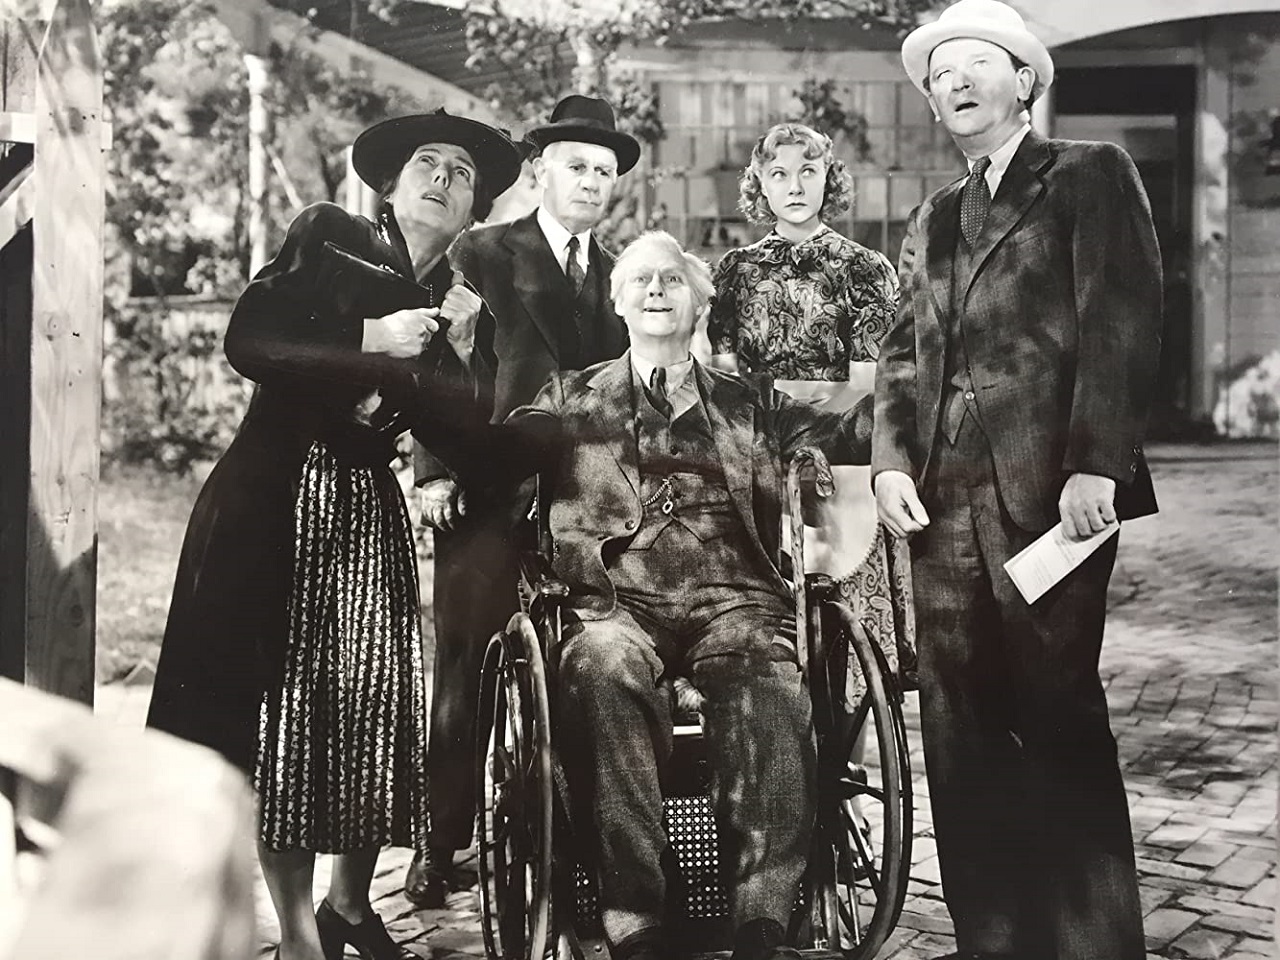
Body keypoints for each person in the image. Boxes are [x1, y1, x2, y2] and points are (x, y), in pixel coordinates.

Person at [146, 111, 524, 960]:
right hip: (278, 505)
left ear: (473, 213)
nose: (442, 177)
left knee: (374, 709)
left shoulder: (456, 302)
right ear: (389, 186)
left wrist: (460, 352)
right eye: (426, 163)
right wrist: (369, 339)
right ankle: (298, 932)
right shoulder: (329, 234)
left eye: (462, 173)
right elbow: (250, 339)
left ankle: (350, 908)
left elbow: (467, 437)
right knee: (287, 721)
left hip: (368, 514)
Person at [873, 2, 1162, 958]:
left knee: (1059, 708)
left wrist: (1096, 464)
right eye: (936, 75)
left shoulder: (1089, 174)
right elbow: (903, 359)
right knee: (957, 723)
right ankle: (991, 936)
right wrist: (885, 466)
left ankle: (1090, 942)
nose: (950, 84)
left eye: (971, 66)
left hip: (1052, 499)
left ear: (1025, 82)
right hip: (939, 504)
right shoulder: (932, 216)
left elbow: (1121, 321)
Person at [507, 231, 875, 960]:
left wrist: (902, 387)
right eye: (640, 279)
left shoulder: (753, 401)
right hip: (616, 600)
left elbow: (852, 428)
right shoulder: (569, 395)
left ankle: (762, 916)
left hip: (734, 598)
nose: (654, 290)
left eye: (671, 280)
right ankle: (635, 918)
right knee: (601, 668)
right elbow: (504, 458)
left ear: (700, 301)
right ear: (617, 301)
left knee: (770, 685)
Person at [404, 94, 638, 906]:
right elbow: (438, 363)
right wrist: (432, 468)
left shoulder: (618, 278)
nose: (591, 181)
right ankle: (441, 842)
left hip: (583, 501)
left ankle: (565, 836)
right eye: (577, 165)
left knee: (586, 659)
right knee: (466, 662)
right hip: (485, 488)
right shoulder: (481, 251)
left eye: (604, 172)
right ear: (541, 171)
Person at [709, 120, 914, 704]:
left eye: (808, 171)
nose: (795, 185)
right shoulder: (734, 272)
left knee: (846, 627)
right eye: (779, 174)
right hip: (754, 459)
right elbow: (726, 377)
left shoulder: (865, 268)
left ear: (830, 180)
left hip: (840, 457)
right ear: (760, 187)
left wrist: (793, 407)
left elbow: (869, 380)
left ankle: (843, 766)